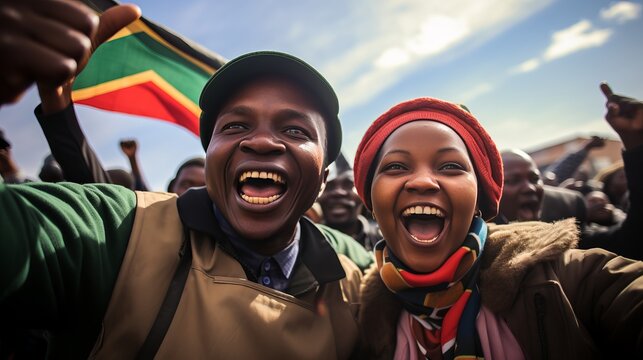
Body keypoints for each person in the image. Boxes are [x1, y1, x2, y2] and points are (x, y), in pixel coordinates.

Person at [1, 2, 363, 359]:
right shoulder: (119, 233)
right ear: (211, 162)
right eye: (235, 125)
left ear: (322, 181)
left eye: (295, 129)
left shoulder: (352, 281)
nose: (262, 141)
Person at [352, 96, 643, 358]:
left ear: (479, 199)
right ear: (373, 204)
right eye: (396, 167)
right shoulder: (362, 316)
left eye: (450, 166)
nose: (423, 182)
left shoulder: (565, 279)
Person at [317, 152, 381, 251]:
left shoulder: (386, 240)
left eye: (348, 184)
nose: (338, 192)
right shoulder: (302, 243)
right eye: (329, 186)